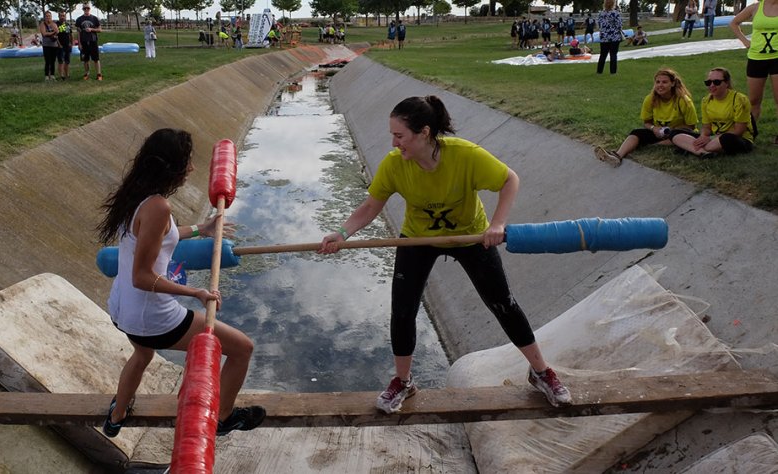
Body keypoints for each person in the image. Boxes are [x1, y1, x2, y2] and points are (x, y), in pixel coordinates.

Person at [318, 96, 572, 414]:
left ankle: (541, 372)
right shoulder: (395, 165)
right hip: (418, 239)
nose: (394, 143)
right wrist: (341, 234)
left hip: (471, 236)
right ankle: (404, 382)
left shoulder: (464, 155)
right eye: (392, 136)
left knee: (504, 304)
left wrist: (497, 224)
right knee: (403, 310)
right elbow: (371, 206)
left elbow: (510, 180)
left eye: (400, 136)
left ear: (424, 133)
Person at [97, 128, 265, 438]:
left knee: (143, 354)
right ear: (171, 167)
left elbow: (157, 238)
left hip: (122, 310)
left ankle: (116, 416)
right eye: (187, 162)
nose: (191, 169)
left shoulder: (135, 194)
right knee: (242, 348)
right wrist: (196, 292)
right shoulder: (159, 207)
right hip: (151, 318)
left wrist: (203, 229)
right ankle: (223, 417)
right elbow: (143, 276)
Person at [595, 68, 698, 166]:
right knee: (636, 132)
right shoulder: (650, 99)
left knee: (675, 137)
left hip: (679, 133)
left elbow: (691, 126)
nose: (660, 85)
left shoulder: (683, 100)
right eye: (657, 82)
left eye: (664, 82)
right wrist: (654, 129)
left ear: (673, 83)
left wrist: (672, 130)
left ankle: (652, 145)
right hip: (659, 132)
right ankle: (617, 156)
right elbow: (646, 123)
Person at [671, 67, 756, 157]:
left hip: (737, 139)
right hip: (714, 138)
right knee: (675, 132)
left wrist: (710, 138)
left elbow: (739, 131)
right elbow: (707, 127)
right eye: (708, 83)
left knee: (726, 139)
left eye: (716, 82)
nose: (711, 85)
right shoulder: (706, 100)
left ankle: (692, 149)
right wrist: (703, 136)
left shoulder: (740, 99)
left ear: (727, 83)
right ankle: (703, 152)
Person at [730, 0, 778, 146]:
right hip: (757, 58)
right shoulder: (756, 7)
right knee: (754, 100)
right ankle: (749, 132)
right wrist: (745, 41)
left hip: (777, 58)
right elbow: (734, 23)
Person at [75, 3, 103, 81]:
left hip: (93, 41)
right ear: (83, 9)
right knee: (85, 59)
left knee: (96, 59)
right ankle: (87, 73)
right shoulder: (79, 19)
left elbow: (100, 29)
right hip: (84, 42)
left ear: (90, 9)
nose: (86, 10)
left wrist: (92, 29)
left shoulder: (94, 18)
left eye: (87, 8)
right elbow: (78, 32)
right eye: (84, 8)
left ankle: (99, 74)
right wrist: (79, 43)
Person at [596, 0, 623, 74]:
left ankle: (599, 71)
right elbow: (619, 25)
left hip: (604, 37)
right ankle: (613, 72)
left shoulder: (601, 14)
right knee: (613, 54)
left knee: (603, 55)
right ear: (613, 4)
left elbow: (599, 25)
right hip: (614, 37)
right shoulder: (615, 13)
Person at [39, 11, 59, 81]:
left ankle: (52, 75)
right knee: (47, 61)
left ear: (51, 17)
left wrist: (55, 35)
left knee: (53, 61)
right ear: (44, 17)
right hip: (46, 45)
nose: (48, 17)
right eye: (47, 16)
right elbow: (44, 34)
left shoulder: (54, 24)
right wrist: (53, 32)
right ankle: (47, 75)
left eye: (49, 16)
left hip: (54, 45)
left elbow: (57, 33)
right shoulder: (42, 24)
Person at [56, 11, 72, 80]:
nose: (62, 17)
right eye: (61, 16)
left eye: (63, 15)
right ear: (58, 16)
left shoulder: (67, 25)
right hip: (60, 46)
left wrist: (71, 43)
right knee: (60, 61)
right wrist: (59, 44)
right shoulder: (56, 25)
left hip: (67, 45)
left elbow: (69, 34)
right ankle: (61, 75)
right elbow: (55, 36)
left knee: (67, 61)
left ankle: (67, 74)